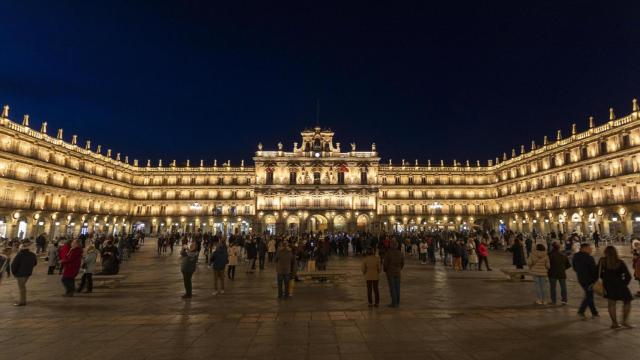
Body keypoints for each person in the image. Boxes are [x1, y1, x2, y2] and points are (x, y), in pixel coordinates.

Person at [598, 246, 633, 329]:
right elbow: (628, 276)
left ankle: (614, 323)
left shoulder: (602, 261)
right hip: (620, 285)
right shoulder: (620, 262)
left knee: (611, 304)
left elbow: (598, 273)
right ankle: (624, 321)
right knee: (627, 301)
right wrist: (624, 284)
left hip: (608, 285)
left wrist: (604, 278)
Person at [572, 243, 599, 320]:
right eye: (589, 248)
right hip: (589, 280)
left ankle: (594, 313)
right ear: (585, 248)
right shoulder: (589, 258)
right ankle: (581, 312)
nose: (591, 250)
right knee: (589, 297)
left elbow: (574, 268)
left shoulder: (575, 256)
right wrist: (595, 280)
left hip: (581, 279)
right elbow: (594, 270)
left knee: (589, 295)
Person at [10, 241, 37, 306]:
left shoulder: (19, 255)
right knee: (22, 287)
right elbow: (35, 263)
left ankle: (22, 302)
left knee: (22, 288)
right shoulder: (33, 255)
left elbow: (13, 265)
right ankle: (22, 300)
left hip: (20, 274)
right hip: (28, 273)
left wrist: (14, 273)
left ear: (21, 248)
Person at [383, 240, 404, 308]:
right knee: (397, 287)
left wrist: (385, 270)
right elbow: (402, 263)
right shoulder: (400, 253)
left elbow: (385, 264)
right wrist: (399, 268)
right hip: (397, 272)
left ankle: (394, 303)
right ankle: (397, 302)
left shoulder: (388, 253)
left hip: (390, 272)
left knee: (392, 288)